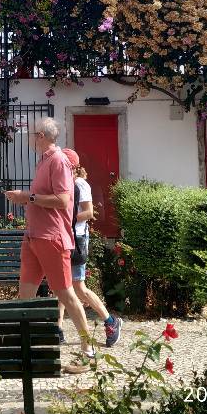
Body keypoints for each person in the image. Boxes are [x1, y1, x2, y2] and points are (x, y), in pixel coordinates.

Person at [4, 117, 118, 364]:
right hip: (33, 236)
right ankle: (24, 347)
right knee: (25, 295)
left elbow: (63, 200)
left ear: (41, 136)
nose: (29, 138)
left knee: (66, 294)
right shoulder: (44, 160)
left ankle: (87, 348)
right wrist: (28, 198)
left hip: (52, 237)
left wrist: (28, 197)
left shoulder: (58, 161)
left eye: (32, 134)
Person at [57, 148, 123, 348]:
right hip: (63, 238)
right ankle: (58, 329)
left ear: (71, 167)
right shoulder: (63, 184)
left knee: (78, 287)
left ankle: (110, 321)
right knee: (60, 285)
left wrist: (66, 220)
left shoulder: (80, 185)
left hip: (76, 239)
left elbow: (88, 213)